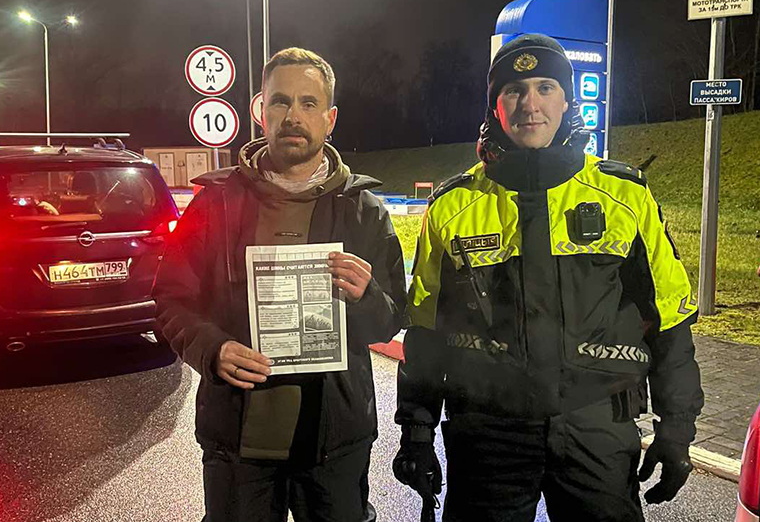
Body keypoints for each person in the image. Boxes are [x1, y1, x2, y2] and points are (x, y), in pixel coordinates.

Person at [393, 34, 704, 522]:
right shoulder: (453, 206)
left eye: (545, 87)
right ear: (495, 106)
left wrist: (677, 429)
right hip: (488, 436)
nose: (530, 104)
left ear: (566, 100)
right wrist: (416, 431)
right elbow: (425, 334)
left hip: (597, 430)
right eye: (514, 90)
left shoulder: (625, 196)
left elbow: (670, 320)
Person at [154, 47, 407, 522]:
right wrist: (212, 349)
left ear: (330, 118)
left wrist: (367, 296)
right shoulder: (214, 203)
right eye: (280, 101)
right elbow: (171, 300)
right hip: (237, 445)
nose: (294, 116)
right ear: (261, 111)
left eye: (309, 103)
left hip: (334, 444)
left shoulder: (363, 209)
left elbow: (390, 319)